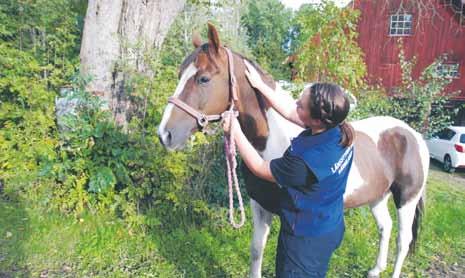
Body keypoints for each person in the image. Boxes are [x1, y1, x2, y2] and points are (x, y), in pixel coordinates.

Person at [222, 60, 355, 278]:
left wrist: (235, 131)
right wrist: (260, 86)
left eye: (301, 104)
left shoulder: (303, 163)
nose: (296, 103)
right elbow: (290, 113)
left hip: (304, 240)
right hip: (329, 225)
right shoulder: (338, 130)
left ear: (315, 119)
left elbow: (258, 167)